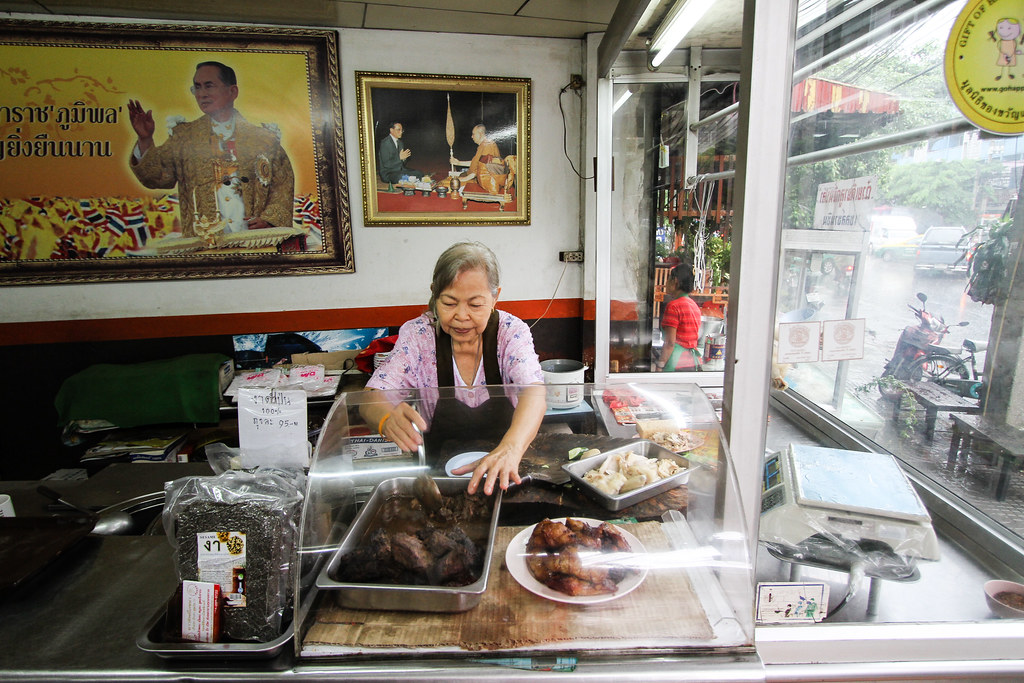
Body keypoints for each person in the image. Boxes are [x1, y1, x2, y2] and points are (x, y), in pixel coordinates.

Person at [360, 241, 546, 495]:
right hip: (438, 479)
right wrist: (384, 418)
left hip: (505, 470)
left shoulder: (511, 332)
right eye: (449, 303)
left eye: (475, 304)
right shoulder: (419, 335)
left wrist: (511, 448)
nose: (461, 315)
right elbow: (372, 397)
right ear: (434, 294)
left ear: (495, 297)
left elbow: (534, 393)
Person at [127, 61, 295, 238]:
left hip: (254, 242)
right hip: (204, 243)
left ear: (232, 92)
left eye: (209, 86)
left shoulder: (263, 139)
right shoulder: (185, 136)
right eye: (197, 87)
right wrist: (145, 139)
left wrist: (269, 220)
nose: (202, 94)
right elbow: (158, 177)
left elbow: (282, 185)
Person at [657, 264, 703, 371]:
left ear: (675, 281)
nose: (666, 282)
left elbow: (670, 343)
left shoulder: (674, 306)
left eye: (668, 278)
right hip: (693, 362)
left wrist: (659, 366)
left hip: (677, 363)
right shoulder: (694, 306)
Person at [449, 124, 510, 195]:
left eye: (473, 134)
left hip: (482, 180)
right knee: (454, 180)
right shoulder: (483, 145)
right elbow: (476, 163)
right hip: (474, 176)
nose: (472, 137)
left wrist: (466, 178)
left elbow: (483, 168)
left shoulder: (488, 145)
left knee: (449, 184)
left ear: (480, 134)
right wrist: (458, 162)